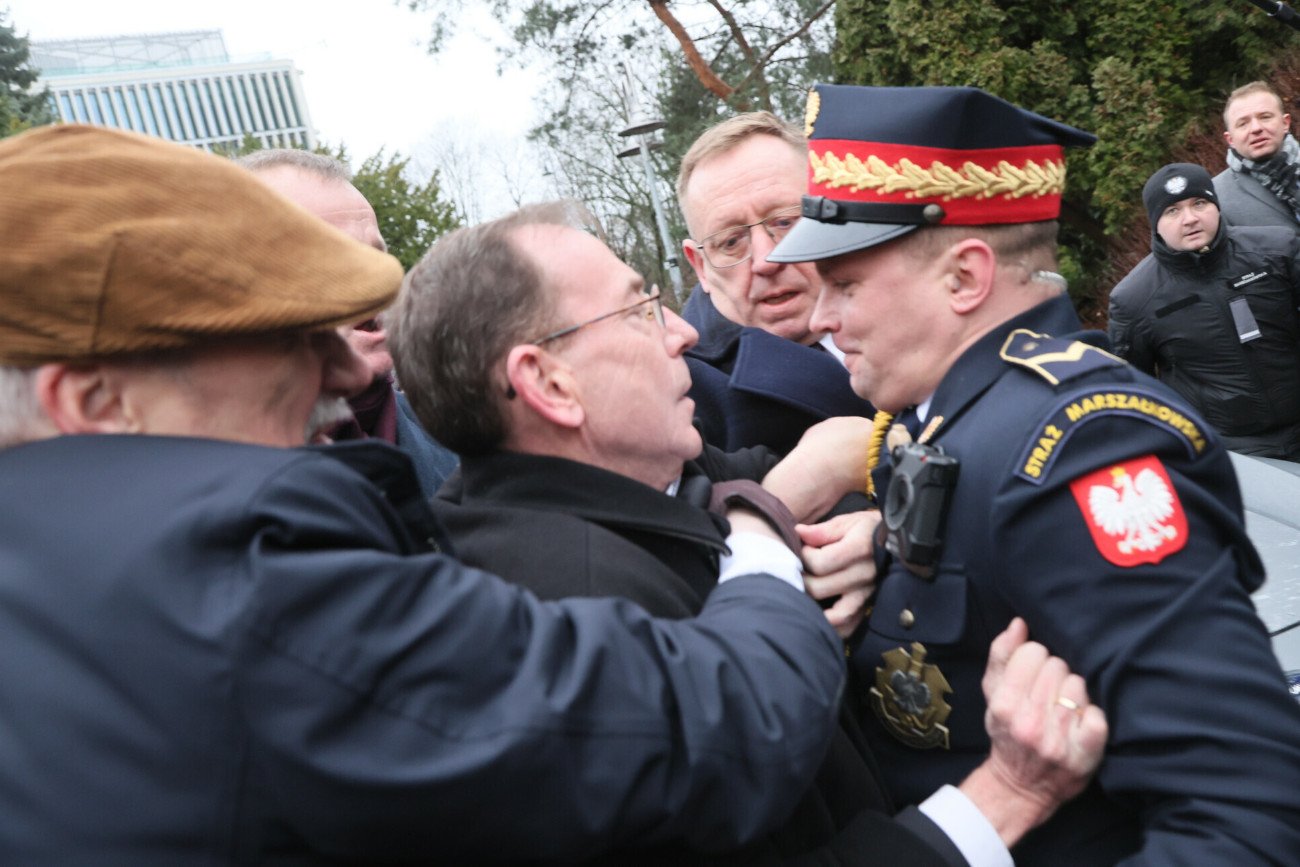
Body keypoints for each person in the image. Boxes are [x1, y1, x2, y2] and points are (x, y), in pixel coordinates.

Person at [1, 123, 867, 863]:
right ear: (92, 402)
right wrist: (759, 528)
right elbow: (710, 726)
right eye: (287, 341)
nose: (349, 369)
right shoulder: (248, 573)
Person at [388, 200, 1108, 866]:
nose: (686, 331)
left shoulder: (634, 484)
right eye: (641, 310)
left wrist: (867, 536)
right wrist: (1005, 795)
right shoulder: (572, 616)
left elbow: (762, 476)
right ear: (548, 385)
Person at [769, 83, 1300, 865]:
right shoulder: (954, 417)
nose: (820, 319)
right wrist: (883, 549)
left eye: (844, 285)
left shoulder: (1083, 445)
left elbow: (1247, 810)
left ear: (964, 279)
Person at [238, 148, 459, 497]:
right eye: (336, 255)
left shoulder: (467, 445)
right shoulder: (195, 473)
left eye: (377, 255)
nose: (377, 282)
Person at [676, 112, 874, 455]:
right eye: (731, 242)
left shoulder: (914, 306)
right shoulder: (682, 396)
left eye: (785, 222)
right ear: (700, 266)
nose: (766, 260)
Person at [1109, 162, 1300, 458]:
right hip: (1236, 451)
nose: (1190, 219)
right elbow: (1134, 393)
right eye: (1172, 211)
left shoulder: (1278, 250)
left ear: (1217, 206)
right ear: (1155, 223)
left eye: (1199, 203)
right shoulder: (1133, 300)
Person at [1213, 80, 1300, 231]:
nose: (1256, 128)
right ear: (1230, 139)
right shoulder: (1217, 197)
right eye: (1243, 124)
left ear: (1285, 123)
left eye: (1265, 117)